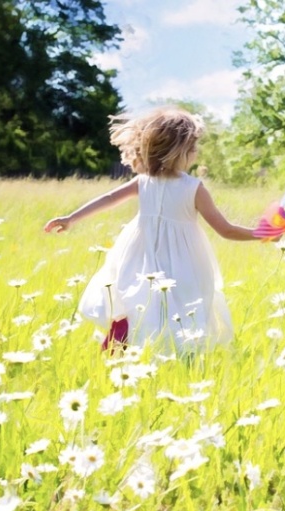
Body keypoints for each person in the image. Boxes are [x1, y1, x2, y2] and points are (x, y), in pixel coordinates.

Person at [44, 106, 263, 351]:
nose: (196, 152)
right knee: (178, 308)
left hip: (139, 253)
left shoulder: (144, 181)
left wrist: (71, 218)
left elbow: (108, 199)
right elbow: (226, 229)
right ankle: (167, 355)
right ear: (177, 151)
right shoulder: (193, 187)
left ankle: (122, 350)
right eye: (192, 147)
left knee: (136, 300)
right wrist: (261, 234)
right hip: (181, 260)